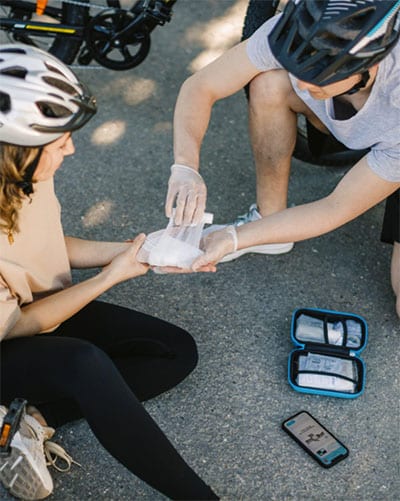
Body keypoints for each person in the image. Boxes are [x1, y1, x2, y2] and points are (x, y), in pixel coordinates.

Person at [0, 44, 218, 500]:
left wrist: (140, 251)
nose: (72, 147)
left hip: (26, 308)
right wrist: (110, 277)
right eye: (60, 142)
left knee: (176, 351)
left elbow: (44, 243)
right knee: (85, 364)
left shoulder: (24, 174)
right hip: (8, 331)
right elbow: (20, 325)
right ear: (18, 150)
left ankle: (30, 421)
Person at [164, 0, 400, 317]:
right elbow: (200, 86)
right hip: (374, 123)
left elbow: (334, 207)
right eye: (296, 67)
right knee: (269, 83)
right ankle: (269, 219)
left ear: (366, 67)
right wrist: (185, 166)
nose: (300, 83)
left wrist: (233, 239)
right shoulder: (301, 32)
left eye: (316, 75)